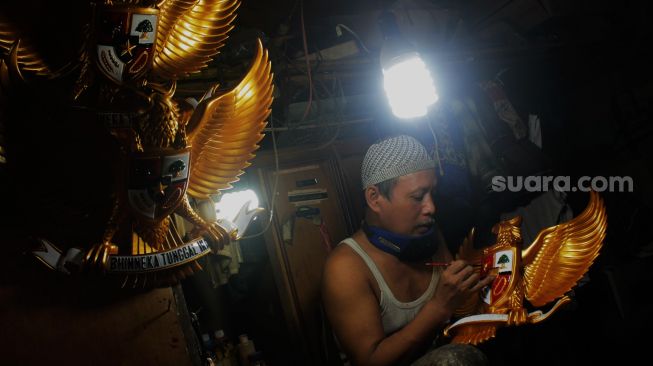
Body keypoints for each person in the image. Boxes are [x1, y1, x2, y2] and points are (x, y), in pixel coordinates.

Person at [322, 135, 494, 366]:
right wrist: (439, 307)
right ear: (375, 198)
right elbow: (370, 362)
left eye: (433, 193)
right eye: (417, 197)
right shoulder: (346, 268)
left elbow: (459, 314)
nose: (431, 207)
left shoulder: (428, 233)